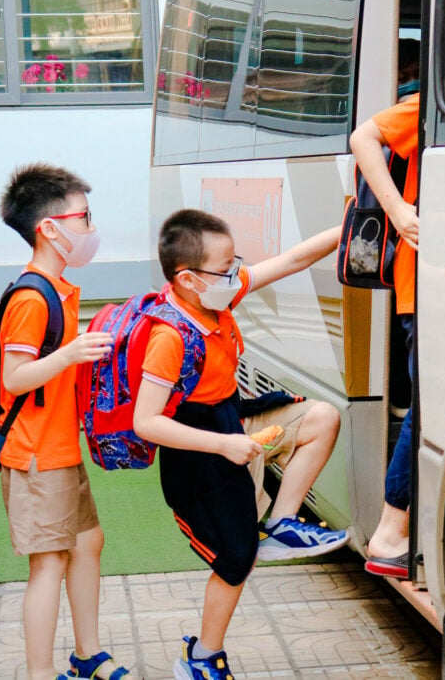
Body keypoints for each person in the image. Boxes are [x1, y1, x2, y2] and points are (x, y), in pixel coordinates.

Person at [132, 209, 348, 680]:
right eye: (226, 267)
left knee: (321, 418)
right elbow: (146, 422)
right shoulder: (169, 335)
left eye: (236, 263)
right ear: (188, 279)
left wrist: (356, 221)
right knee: (235, 559)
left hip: (234, 418)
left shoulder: (216, 295)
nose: (237, 274)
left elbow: (292, 259)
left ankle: (283, 522)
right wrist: (221, 446)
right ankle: (202, 658)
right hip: (197, 452)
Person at [0, 163, 132, 680]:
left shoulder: (57, 288)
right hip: (35, 454)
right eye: (84, 217)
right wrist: (72, 354)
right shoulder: (32, 297)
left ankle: (87, 653)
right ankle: (38, 673)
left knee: (87, 542)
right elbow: (14, 378)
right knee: (47, 564)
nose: (90, 229)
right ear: (48, 228)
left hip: (60, 449)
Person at [348, 44, 421, 579]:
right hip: (426, 283)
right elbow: (362, 137)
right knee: (430, 404)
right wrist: (397, 210)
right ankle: (391, 527)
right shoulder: (428, 106)